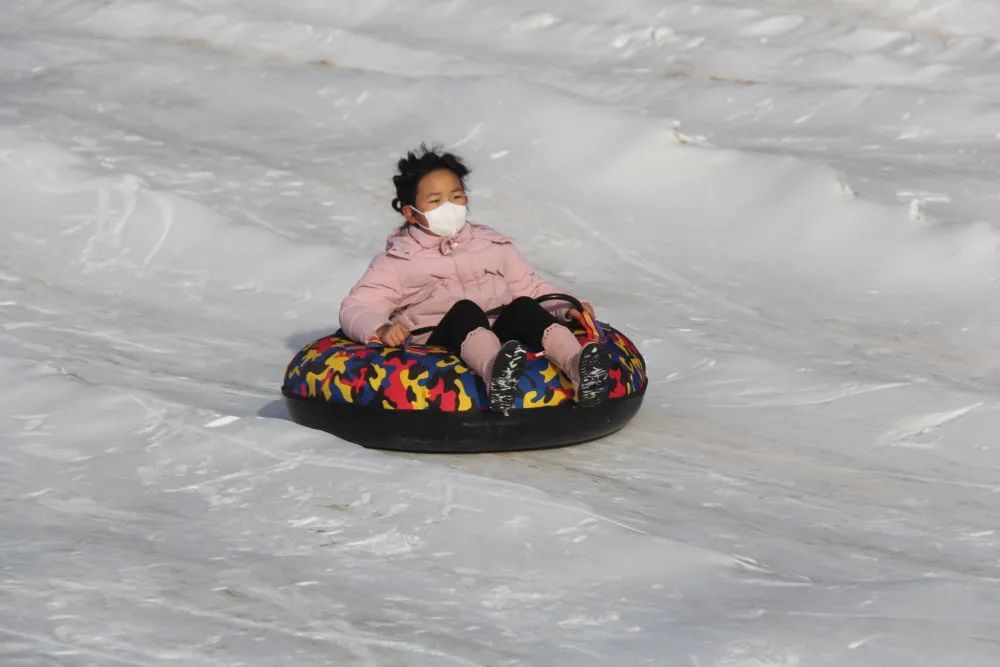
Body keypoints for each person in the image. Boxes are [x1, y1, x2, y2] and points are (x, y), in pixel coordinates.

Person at [339, 144, 610, 412]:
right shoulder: (398, 261)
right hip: (440, 335)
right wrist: (382, 329)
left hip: (497, 328)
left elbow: (529, 285)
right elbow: (358, 306)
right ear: (410, 212)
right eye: (435, 201)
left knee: (524, 306)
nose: (449, 206)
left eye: (456, 197)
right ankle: (497, 375)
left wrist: (567, 307)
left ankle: (579, 366)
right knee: (465, 309)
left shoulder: (490, 243)